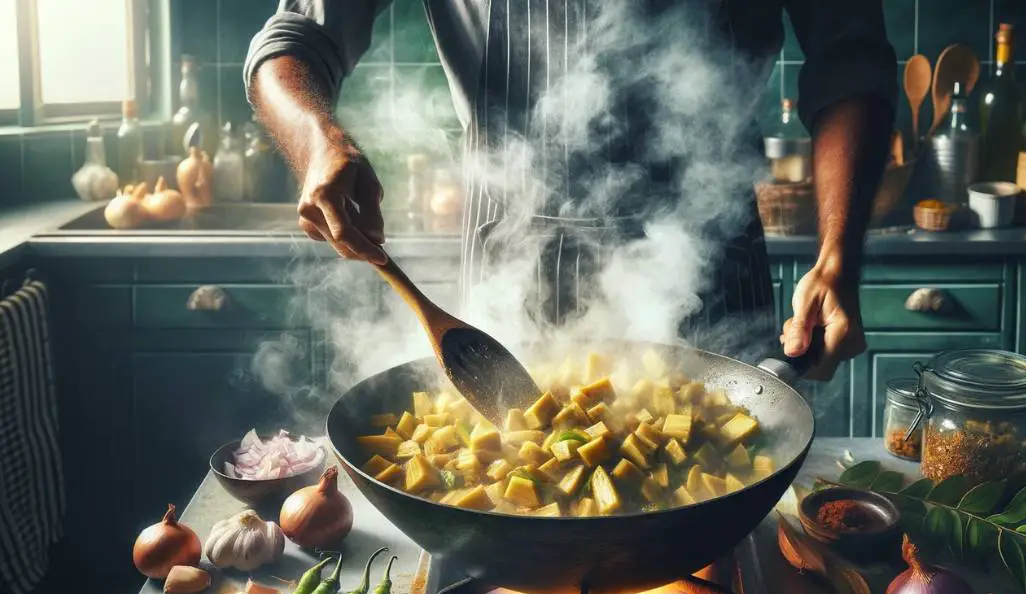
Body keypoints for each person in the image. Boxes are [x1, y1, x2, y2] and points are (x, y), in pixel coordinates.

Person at [245, 1, 896, 380]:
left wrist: (838, 256)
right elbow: (296, 37)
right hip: (513, 284)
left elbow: (849, 56)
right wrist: (317, 139)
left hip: (713, 277)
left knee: (723, 523)